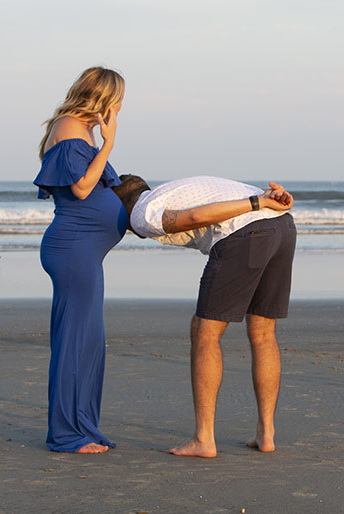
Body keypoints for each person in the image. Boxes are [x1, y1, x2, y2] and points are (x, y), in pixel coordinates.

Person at [113, 175, 296, 457]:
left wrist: (256, 201)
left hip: (246, 233)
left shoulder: (141, 212)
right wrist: (265, 201)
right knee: (262, 332)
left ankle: (204, 439)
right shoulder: (169, 191)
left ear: (121, 204)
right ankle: (266, 433)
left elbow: (195, 216)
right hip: (282, 227)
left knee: (205, 333)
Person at [33, 67, 127, 453]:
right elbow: (84, 188)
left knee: (89, 342)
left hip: (84, 251)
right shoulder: (72, 126)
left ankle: (82, 426)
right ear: (103, 97)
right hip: (73, 249)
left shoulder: (81, 130)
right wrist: (110, 142)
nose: (121, 108)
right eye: (118, 99)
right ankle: (67, 434)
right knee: (75, 342)